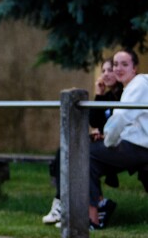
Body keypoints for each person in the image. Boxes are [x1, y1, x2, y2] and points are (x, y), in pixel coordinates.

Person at [42, 58, 121, 225]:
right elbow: (94, 121)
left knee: (82, 155)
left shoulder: (125, 95)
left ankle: (79, 207)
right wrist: (99, 95)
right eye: (103, 70)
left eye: (110, 70)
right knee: (65, 149)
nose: (106, 74)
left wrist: (103, 133)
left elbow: (121, 123)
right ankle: (62, 203)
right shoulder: (105, 97)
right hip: (103, 143)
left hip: (117, 146)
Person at [87, 49, 148, 228]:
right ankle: (95, 214)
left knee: (86, 155)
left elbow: (121, 118)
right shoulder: (132, 87)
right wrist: (108, 135)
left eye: (124, 64)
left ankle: (94, 217)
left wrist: (108, 141)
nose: (118, 68)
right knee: (91, 162)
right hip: (136, 145)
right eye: (115, 64)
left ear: (134, 68)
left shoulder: (139, 84)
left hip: (140, 148)